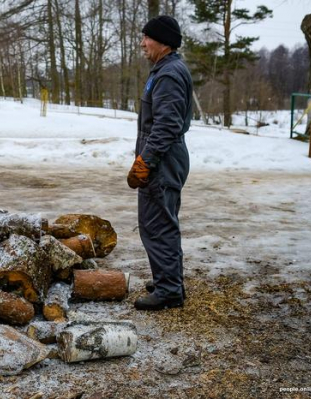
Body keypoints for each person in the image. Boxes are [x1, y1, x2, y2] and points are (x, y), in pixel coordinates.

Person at [127, 15, 193, 311]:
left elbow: (166, 125)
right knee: (163, 220)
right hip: (166, 157)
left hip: (163, 160)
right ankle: (170, 280)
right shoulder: (166, 69)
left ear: (162, 41)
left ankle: (169, 291)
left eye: (147, 38)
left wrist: (146, 161)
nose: (143, 43)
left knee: (157, 225)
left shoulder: (167, 74)